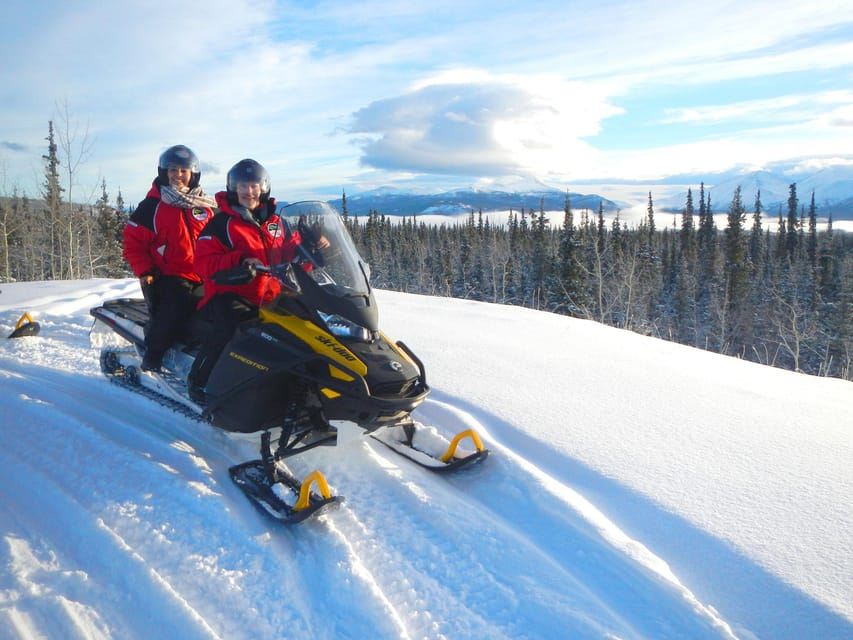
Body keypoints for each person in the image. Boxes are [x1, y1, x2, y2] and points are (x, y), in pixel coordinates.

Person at [187, 159, 326, 401]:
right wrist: (239, 261)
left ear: (263, 188)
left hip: (273, 293)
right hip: (231, 292)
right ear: (234, 188)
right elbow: (203, 263)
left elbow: (294, 259)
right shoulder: (221, 224)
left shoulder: (277, 223)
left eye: (253, 186)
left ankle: (305, 385)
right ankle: (199, 381)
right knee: (230, 326)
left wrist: (312, 250)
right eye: (243, 186)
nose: (249, 192)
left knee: (308, 327)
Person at [123, 145, 216, 371]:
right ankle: (153, 355)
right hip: (170, 275)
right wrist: (145, 270)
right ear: (164, 172)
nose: (178, 175)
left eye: (183, 170)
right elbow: (132, 243)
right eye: (173, 170)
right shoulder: (152, 207)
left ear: (193, 174)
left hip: (206, 274)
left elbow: (226, 235)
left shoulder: (206, 206)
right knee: (175, 307)